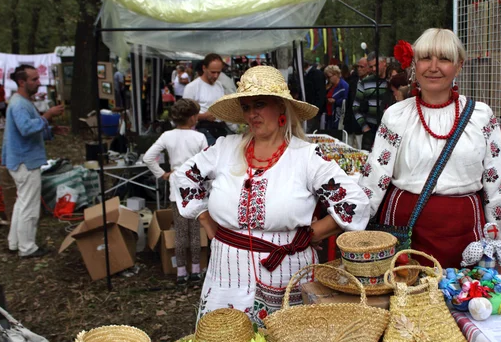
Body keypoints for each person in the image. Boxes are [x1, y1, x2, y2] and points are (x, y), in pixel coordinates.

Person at [172, 66, 369, 326]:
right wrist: (206, 221)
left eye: (260, 104)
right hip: (226, 272)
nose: (252, 113)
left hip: (287, 270)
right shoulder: (224, 148)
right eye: (246, 106)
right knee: (225, 338)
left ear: (281, 107)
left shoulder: (305, 157)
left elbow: (355, 202)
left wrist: (313, 233)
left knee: (284, 337)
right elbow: (184, 175)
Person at [359, 28, 501, 269]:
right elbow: (375, 176)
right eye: (426, 58)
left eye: (445, 59)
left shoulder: (481, 116)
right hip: (405, 233)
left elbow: (497, 180)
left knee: (463, 297)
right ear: (414, 64)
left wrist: (499, 239)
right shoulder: (396, 115)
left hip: (464, 234)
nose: (433, 66)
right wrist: (358, 231)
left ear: (459, 65)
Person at [1, 65, 64, 258]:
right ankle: (27, 248)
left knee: (22, 202)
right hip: (24, 161)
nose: (39, 82)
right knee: (29, 205)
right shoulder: (19, 104)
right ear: (22, 82)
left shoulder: (23, 101)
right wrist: (48, 115)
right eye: (34, 79)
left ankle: (15, 243)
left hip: (21, 159)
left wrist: (51, 129)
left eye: (38, 78)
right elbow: (26, 129)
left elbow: (30, 129)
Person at [143, 99, 208, 285]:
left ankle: (181, 272)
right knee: (195, 231)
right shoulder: (199, 137)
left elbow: (148, 157)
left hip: (176, 188)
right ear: (193, 118)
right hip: (194, 188)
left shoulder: (167, 136)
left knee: (180, 232)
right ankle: (196, 270)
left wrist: (162, 174)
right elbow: (206, 162)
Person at [183, 53, 227, 145]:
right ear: (204, 68)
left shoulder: (219, 85)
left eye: (218, 72)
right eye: (213, 72)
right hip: (202, 129)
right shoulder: (192, 87)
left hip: (220, 128)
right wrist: (204, 116)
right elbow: (184, 114)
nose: (216, 76)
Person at [353, 53, 389, 150]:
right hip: (370, 129)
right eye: (371, 66)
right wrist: (365, 128)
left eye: (376, 65)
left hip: (390, 130)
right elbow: (355, 107)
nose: (373, 69)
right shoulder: (364, 82)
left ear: (384, 62)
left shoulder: (393, 81)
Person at [302, 60, 326, 132]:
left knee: (311, 130)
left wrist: (316, 109)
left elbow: (320, 93)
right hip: (310, 107)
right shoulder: (311, 74)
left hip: (314, 108)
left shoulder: (316, 74)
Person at [323, 65, 349, 130]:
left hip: (338, 116)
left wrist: (335, 101)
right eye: (327, 77)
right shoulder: (331, 86)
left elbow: (346, 99)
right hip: (329, 115)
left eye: (329, 77)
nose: (328, 79)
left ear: (336, 74)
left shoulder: (343, 85)